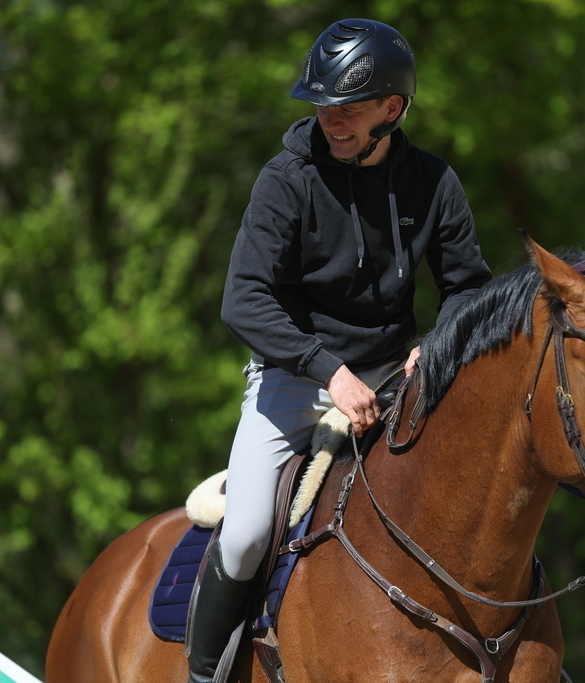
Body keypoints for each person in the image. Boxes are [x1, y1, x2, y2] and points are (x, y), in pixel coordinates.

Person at [186, 18, 492, 682]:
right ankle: (205, 674)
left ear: (394, 107)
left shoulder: (435, 184)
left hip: (396, 374)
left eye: (348, 106)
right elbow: (243, 298)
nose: (332, 118)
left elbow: (470, 288)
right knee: (241, 537)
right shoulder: (286, 179)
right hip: (295, 376)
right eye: (322, 104)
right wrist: (331, 370)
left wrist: (434, 345)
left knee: (478, 484)